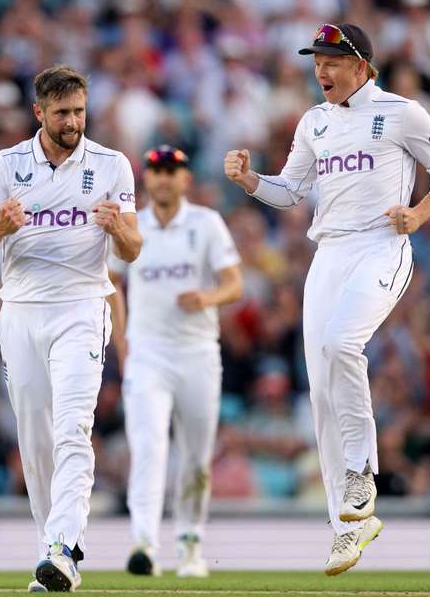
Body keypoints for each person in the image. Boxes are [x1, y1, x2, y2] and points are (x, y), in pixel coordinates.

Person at [224, 23, 430, 576]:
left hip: (382, 245)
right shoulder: (315, 122)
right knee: (322, 391)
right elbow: (291, 191)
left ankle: (362, 472)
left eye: (333, 60)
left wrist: (419, 214)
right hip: (328, 254)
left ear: (362, 65)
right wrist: (249, 181)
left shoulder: (401, 111)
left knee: (340, 344)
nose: (322, 71)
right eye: (317, 61)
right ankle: (346, 528)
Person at [0, 65, 142, 593]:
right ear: (39, 112)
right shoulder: (6, 165)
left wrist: (117, 230)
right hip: (20, 311)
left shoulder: (112, 165)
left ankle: (64, 545)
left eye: (79, 111)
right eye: (62, 112)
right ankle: (53, 554)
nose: (73, 121)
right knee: (35, 441)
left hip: (83, 308)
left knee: (71, 428)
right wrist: (1, 225)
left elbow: (133, 249)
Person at [108, 145, 242, 578]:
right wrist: (124, 346)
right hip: (149, 354)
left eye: (172, 171)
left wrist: (207, 297)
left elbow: (234, 284)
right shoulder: (133, 227)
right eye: (156, 171)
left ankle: (190, 543)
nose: (163, 179)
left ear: (185, 178)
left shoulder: (205, 224)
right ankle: (144, 543)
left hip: (199, 351)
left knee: (196, 456)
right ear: (146, 178)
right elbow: (112, 285)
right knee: (148, 446)